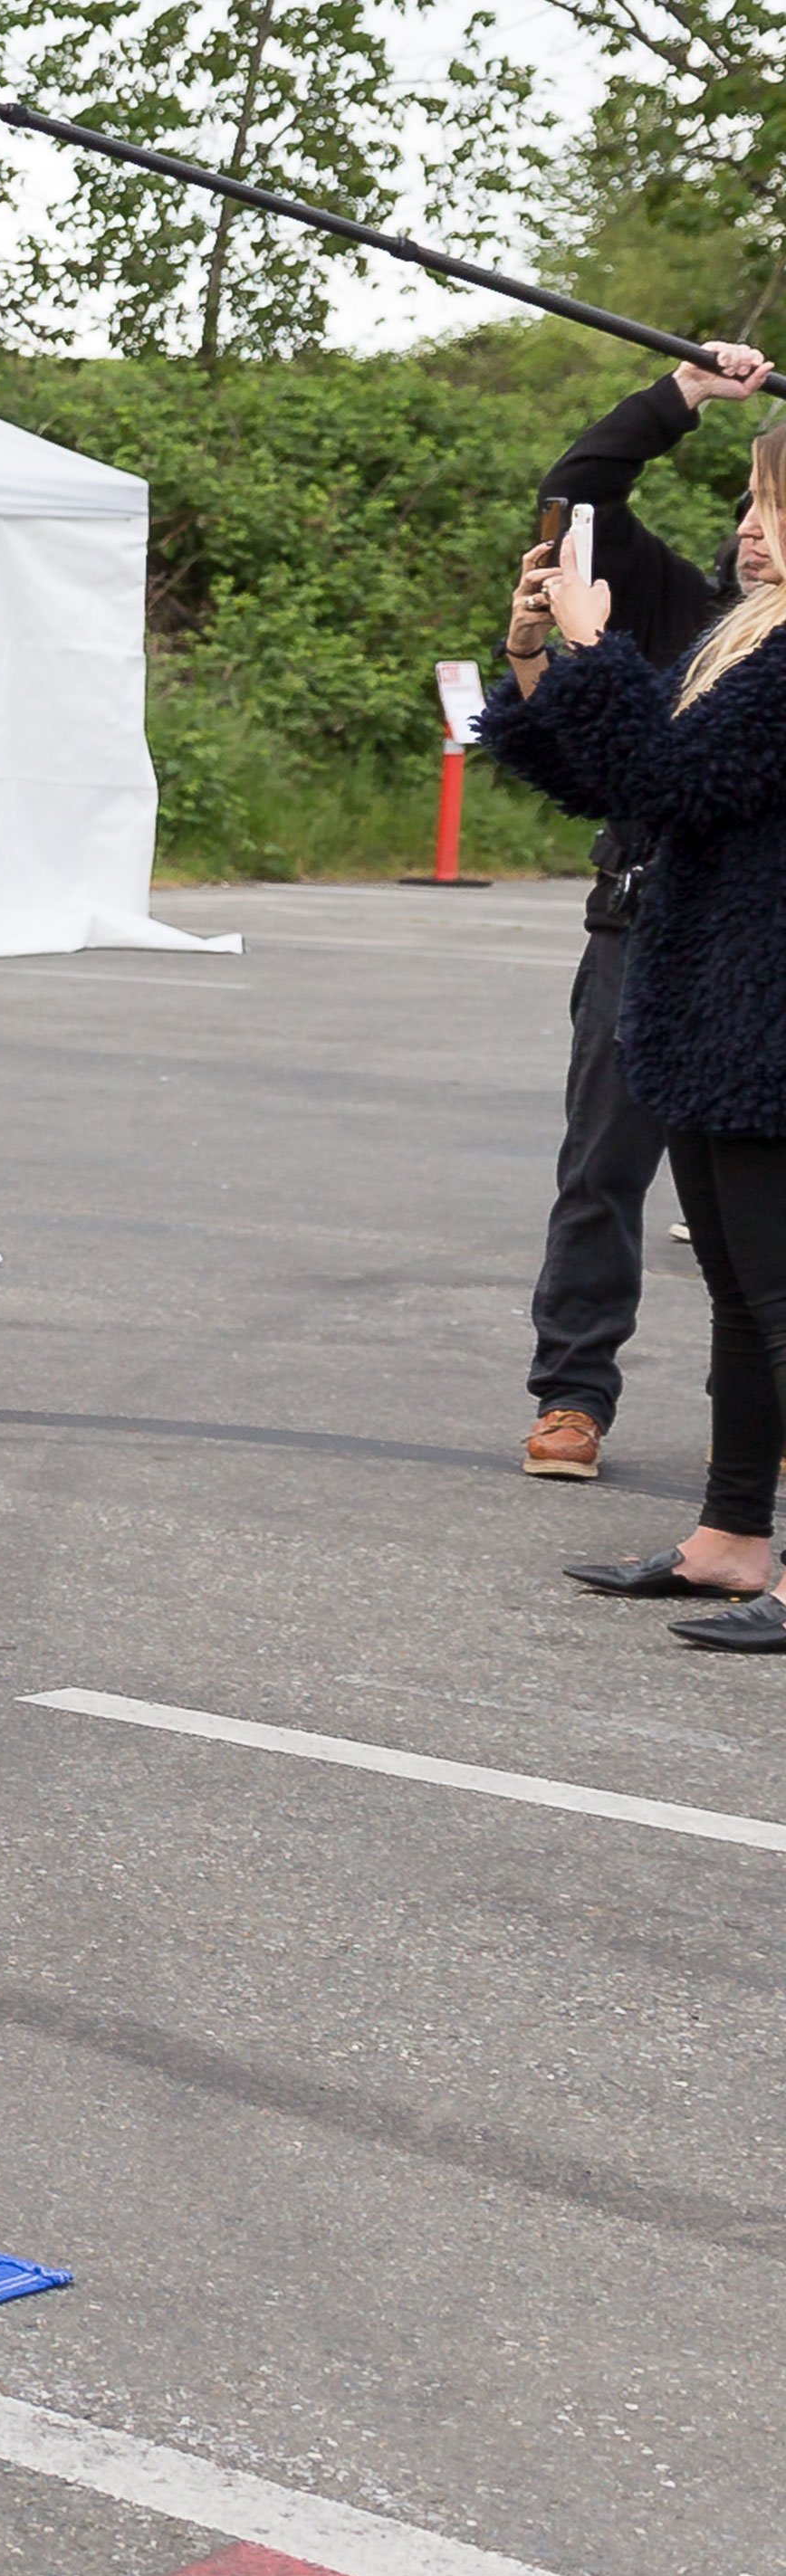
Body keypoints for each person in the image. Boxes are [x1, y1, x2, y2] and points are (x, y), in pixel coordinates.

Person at [484, 386, 786, 1655]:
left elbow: (675, 775)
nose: (751, 529)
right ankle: (729, 1534)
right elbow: (625, 781)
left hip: (765, 1005)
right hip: (711, 999)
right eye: (752, 502)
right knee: (734, 1280)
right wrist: (541, 667)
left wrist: (605, 654)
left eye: (774, 504)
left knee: (778, 1287)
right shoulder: (749, 640)